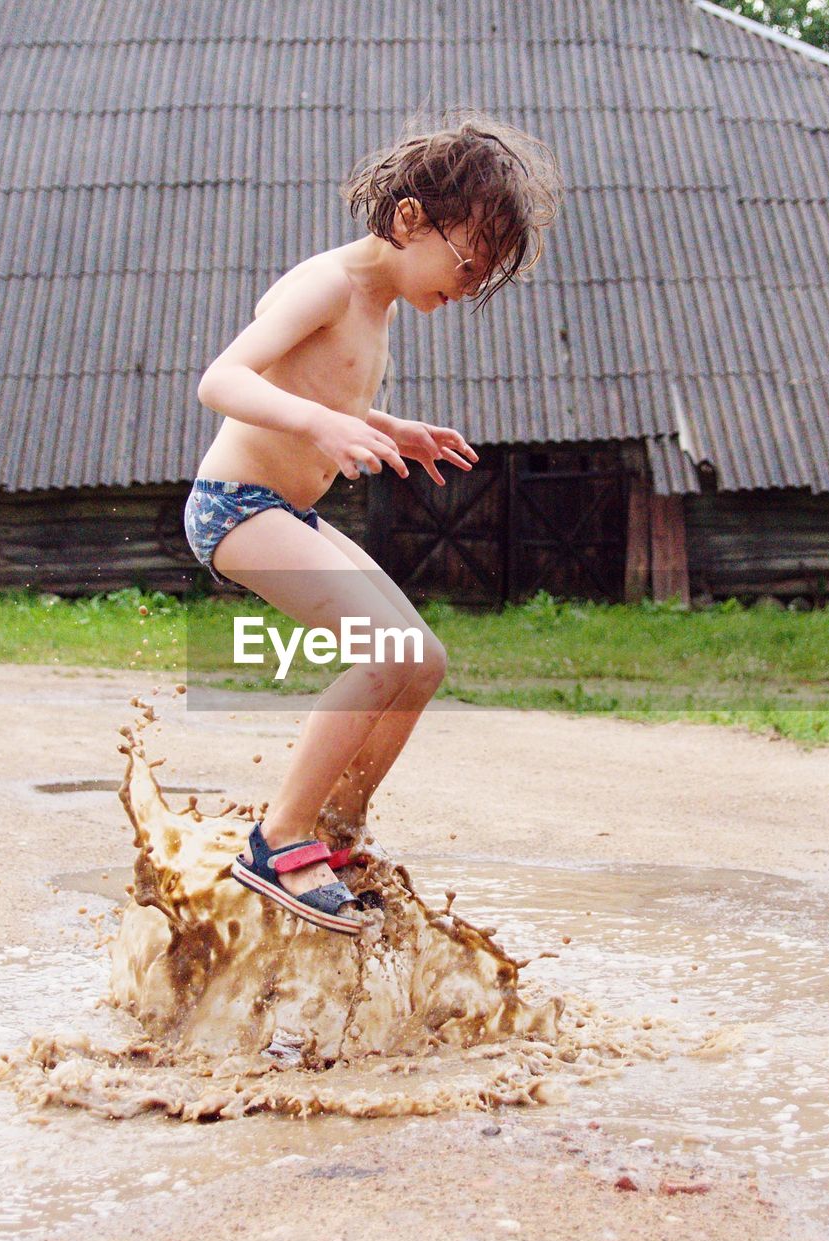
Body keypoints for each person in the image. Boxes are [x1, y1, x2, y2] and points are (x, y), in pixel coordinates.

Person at [186, 108, 561, 936]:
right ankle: (277, 838)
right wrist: (320, 428)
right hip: (236, 508)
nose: (465, 290)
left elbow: (326, 388)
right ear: (408, 219)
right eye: (467, 267)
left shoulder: (377, 305)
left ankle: (337, 833)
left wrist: (390, 427)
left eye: (480, 281)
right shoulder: (326, 283)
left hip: (287, 512)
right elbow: (223, 379)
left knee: (420, 660)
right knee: (378, 651)